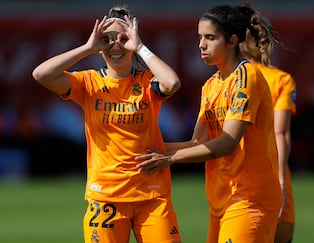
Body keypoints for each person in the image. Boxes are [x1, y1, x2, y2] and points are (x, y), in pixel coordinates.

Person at [32, 5, 182, 243]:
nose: (114, 45)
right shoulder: (88, 83)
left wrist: (140, 47)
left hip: (152, 195)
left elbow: (172, 83)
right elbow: (41, 75)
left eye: (122, 38)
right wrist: (87, 48)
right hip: (106, 197)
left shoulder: (146, 82)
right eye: (107, 39)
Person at [136, 3, 282, 243]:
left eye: (210, 38)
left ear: (232, 41)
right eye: (200, 37)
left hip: (250, 199)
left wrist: (169, 159)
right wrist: (150, 148)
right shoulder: (211, 85)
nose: (201, 45)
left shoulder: (246, 77)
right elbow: (198, 142)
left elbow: (227, 143)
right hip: (221, 200)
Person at [240, 17, 297, 243]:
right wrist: (281, 181)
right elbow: (280, 133)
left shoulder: (229, 79)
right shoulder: (281, 79)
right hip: (272, 170)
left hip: (237, 176)